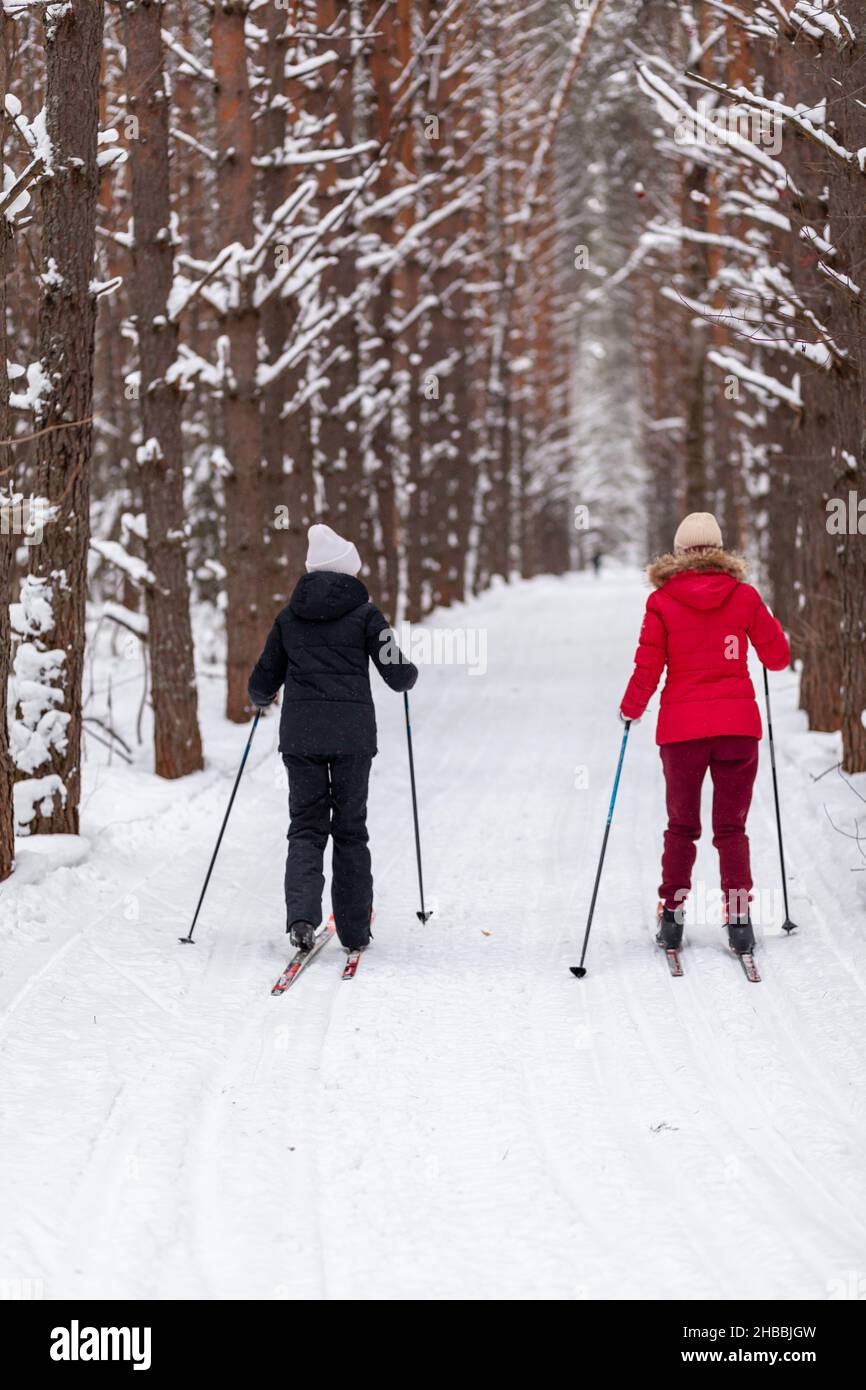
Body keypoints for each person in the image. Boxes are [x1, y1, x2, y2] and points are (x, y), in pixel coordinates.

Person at [619, 512, 790, 957]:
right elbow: (778, 658)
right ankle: (739, 921)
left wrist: (630, 709)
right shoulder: (744, 596)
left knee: (682, 826)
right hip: (737, 731)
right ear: (719, 550)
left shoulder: (661, 602)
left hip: (682, 734)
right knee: (731, 827)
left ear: (679, 553)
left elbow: (648, 666)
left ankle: (672, 920)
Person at [248, 523, 418, 954]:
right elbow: (397, 674)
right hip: (352, 740)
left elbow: (261, 682)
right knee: (349, 831)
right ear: (348, 571)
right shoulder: (366, 616)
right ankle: (355, 931)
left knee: (305, 828)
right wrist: (408, 675)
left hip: (301, 738)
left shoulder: (288, 618)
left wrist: (262, 694)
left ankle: (302, 919)